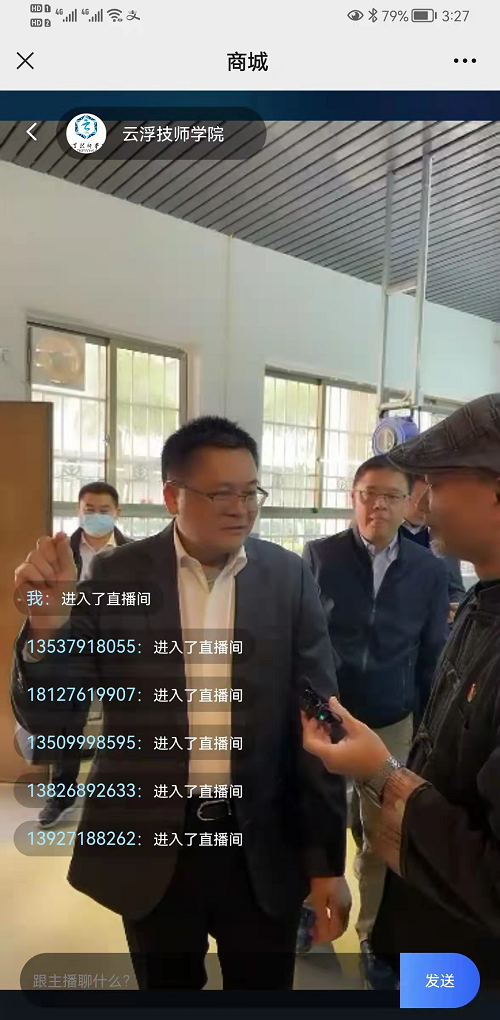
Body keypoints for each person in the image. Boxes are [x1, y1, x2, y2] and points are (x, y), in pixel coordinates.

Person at [12, 415, 349, 991]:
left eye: (251, 492)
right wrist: (47, 628)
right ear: (172, 496)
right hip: (152, 847)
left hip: (260, 842)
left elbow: (316, 724)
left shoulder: (287, 577)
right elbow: (52, 718)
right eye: (221, 493)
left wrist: (325, 864)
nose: (241, 508)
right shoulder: (115, 575)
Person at [300, 392, 500, 990]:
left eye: (435, 483)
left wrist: (386, 777)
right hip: (431, 939)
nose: (420, 504)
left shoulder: (435, 576)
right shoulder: (480, 605)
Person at [303, 455, 449, 988]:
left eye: (391, 496)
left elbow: (433, 652)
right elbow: (304, 640)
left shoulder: (429, 569)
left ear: (410, 504)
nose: (379, 505)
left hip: (392, 721)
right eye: (369, 494)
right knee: (311, 818)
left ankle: (373, 937)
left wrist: (425, 723)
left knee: (381, 834)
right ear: (353, 496)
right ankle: (308, 913)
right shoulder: (319, 556)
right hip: (326, 718)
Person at [36, 482, 131, 829]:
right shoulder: (60, 553)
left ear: (117, 512)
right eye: (89, 509)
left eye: (104, 510)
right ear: (78, 510)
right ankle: (61, 796)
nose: (96, 516)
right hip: (73, 646)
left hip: (120, 646)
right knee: (68, 720)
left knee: (127, 719)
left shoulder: (134, 554)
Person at [401, 474, 466, 623]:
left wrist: (455, 610)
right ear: (404, 498)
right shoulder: (386, 535)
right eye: (418, 499)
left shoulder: (444, 537)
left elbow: (455, 589)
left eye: (429, 500)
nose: (422, 507)